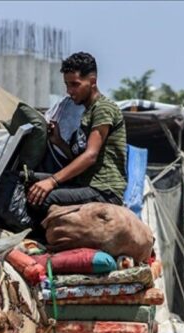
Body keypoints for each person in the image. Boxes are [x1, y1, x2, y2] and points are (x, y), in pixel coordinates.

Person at [27, 52, 127, 219]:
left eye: (75, 84)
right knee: (26, 180)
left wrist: (52, 181)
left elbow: (90, 156)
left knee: (41, 199)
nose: (70, 91)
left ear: (92, 81)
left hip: (104, 190)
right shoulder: (88, 111)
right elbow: (79, 158)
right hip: (88, 184)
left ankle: (38, 241)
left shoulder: (103, 109)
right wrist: (58, 141)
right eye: (67, 85)